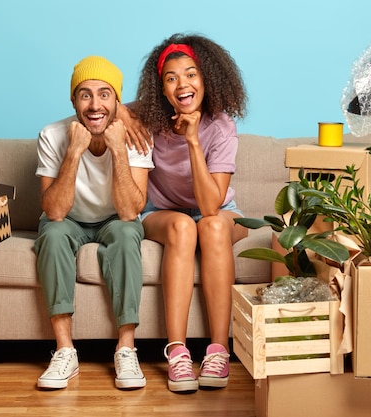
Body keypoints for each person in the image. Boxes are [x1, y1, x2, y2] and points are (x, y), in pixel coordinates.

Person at [133, 33, 249, 393]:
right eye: (171, 78)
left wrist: (193, 139)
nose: (182, 83)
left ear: (207, 79)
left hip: (218, 209)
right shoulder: (149, 119)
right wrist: (126, 114)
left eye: (191, 74)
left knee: (211, 226)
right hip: (163, 212)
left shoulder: (222, 126)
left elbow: (211, 205)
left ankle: (219, 350)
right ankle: (178, 352)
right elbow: (110, 108)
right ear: (161, 90)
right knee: (184, 227)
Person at [34, 56, 154, 390]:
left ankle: (126, 348)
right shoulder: (52, 134)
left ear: (118, 101)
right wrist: (73, 152)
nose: (95, 104)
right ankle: (65, 351)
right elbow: (54, 211)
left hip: (115, 218)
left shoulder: (136, 137)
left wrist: (118, 151)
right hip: (69, 218)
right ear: (73, 100)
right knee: (53, 234)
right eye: (85, 94)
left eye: (104, 94)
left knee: (128, 232)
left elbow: (131, 211)